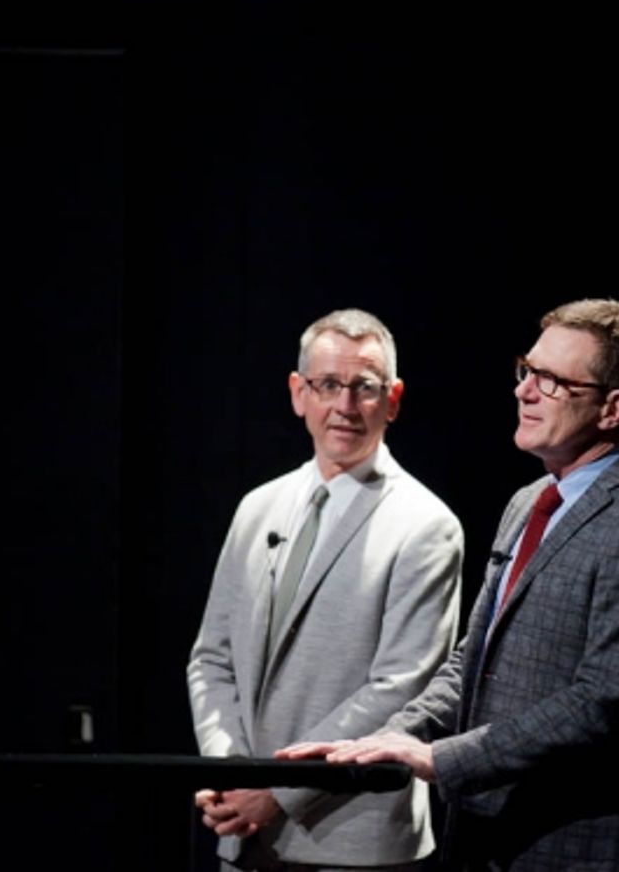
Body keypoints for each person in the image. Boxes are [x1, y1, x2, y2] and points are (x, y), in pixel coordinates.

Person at [281, 299, 619, 870]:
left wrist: (440, 759)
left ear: (612, 408)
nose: (524, 391)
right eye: (527, 370)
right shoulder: (528, 502)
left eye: (551, 382)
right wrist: (383, 740)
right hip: (492, 839)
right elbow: (470, 664)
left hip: (582, 848)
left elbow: (601, 705)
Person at [188, 308, 464, 871]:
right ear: (298, 393)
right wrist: (232, 773)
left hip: (353, 840)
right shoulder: (256, 507)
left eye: (364, 387)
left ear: (392, 399)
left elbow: (401, 689)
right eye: (328, 385)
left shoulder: (426, 524)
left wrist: (279, 791)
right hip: (243, 835)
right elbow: (211, 660)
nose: (344, 406)